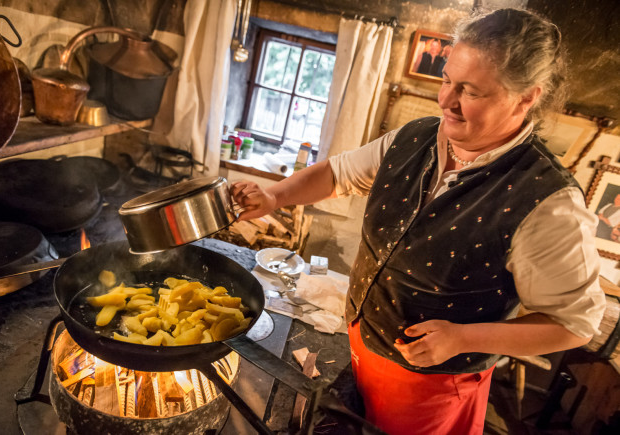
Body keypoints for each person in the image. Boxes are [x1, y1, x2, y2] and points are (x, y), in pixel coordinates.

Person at [232, 8, 605, 435]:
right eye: (447, 80)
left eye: (471, 91)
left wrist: (465, 339)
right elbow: (337, 174)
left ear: (526, 98)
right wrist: (274, 195)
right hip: (361, 340)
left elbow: (573, 324)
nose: (446, 100)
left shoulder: (548, 203)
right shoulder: (415, 137)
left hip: (431, 379)